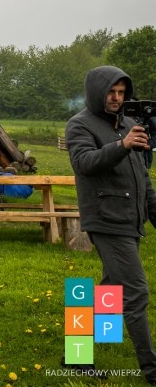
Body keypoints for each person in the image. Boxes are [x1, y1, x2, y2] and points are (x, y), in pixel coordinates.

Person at [66, 65, 156, 382]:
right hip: (106, 218)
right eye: (111, 92)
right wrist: (122, 145)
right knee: (136, 293)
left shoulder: (129, 124)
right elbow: (84, 163)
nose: (117, 98)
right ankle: (151, 368)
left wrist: (153, 210)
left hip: (130, 218)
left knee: (111, 291)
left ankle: (75, 353)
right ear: (96, 93)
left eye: (121, 92)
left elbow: (142, 176)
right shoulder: (79, 125)